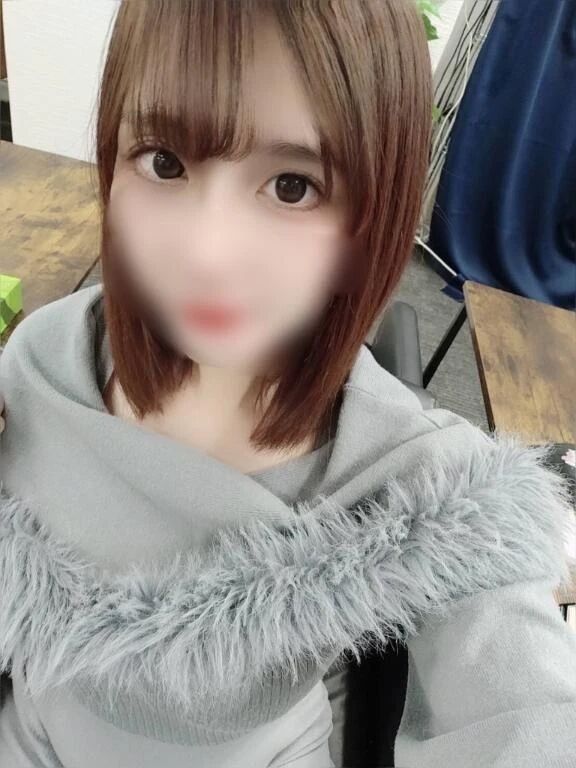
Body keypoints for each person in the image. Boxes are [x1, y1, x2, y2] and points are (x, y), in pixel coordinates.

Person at [0, 2, 575, 767]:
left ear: (371, 215)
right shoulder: (43, 360)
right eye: (164, 162)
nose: (207, 251)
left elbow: (529, 714)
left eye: (292, 186)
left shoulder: (426, 487)